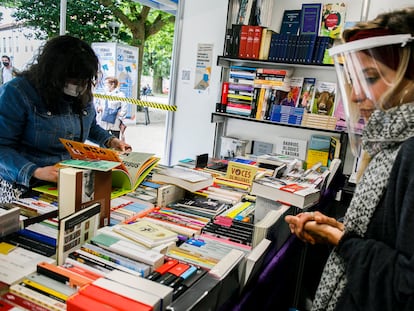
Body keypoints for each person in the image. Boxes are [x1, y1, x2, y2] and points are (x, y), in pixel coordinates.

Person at [285, 7, 414, 311]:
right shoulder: (392, 144)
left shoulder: (409, 153)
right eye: (354, 79)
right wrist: (338, 229)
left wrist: (338, 238)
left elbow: (407, 287)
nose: (356, 96)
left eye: (370, 78)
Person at [0, 35, 131, 203]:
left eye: (85, 81)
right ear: (53, 74)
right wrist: (36, 171)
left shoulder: (82, 91)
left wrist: (110, 140)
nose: (80, 87)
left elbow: (90, 126)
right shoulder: (17, 92)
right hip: (24, 186)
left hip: (69, 180)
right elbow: (2, 147)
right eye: (74, 81)